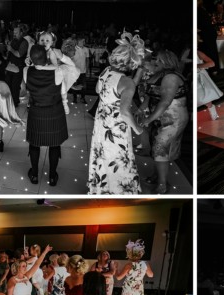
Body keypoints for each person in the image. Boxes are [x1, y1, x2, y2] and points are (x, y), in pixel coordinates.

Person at [87, 32, 145, 194]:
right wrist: (138, 129)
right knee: (119, 160)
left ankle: (101, 189)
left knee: (102, 158)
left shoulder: (106, 71)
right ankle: (118, 193)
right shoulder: (126, 82)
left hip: (101, 125)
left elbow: (99, 90)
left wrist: (139, 72)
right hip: (116, 129)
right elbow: (125, 112)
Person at [24, 44, 74, 187]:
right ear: (45, 56)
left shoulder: (26, 71)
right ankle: (52, 176)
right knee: (54, 145)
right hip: (54, 111)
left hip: (36, 112)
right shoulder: (58, 71)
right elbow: (70, 66)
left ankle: (34, 175)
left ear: (31, 59)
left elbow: (32, 67)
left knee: (34, 144)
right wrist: (56, 57)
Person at [139, 50, 189, 194]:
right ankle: (157, 175)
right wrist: (142, 109)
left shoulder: (171, 77)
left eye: (159, 61)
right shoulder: (159, 75)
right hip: (160, 117)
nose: (156, 62)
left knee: (160, 148)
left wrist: (150, 118)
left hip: (172, 118)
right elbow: (150, 95)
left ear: (167, 62)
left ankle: (162, 184)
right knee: (157, 147)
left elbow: (165, 102)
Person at [5, 23, 30, 106]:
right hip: (10, 66)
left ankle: (15, 103)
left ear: (21, 33)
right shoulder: (13, 40)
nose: (14, 34)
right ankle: (9, 102)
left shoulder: (24, 42)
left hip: (19, 66)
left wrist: (11, 49)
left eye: (16, 33)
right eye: (14, 32)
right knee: (8, 85)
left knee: (15, 86)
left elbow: (19, 54)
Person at [196, 46, 222, 120]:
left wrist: (197, 66)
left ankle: (213, 112)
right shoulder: (186, 52)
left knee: (205, 97)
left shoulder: (198, 53)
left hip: (199, 76)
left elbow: (211, 63)